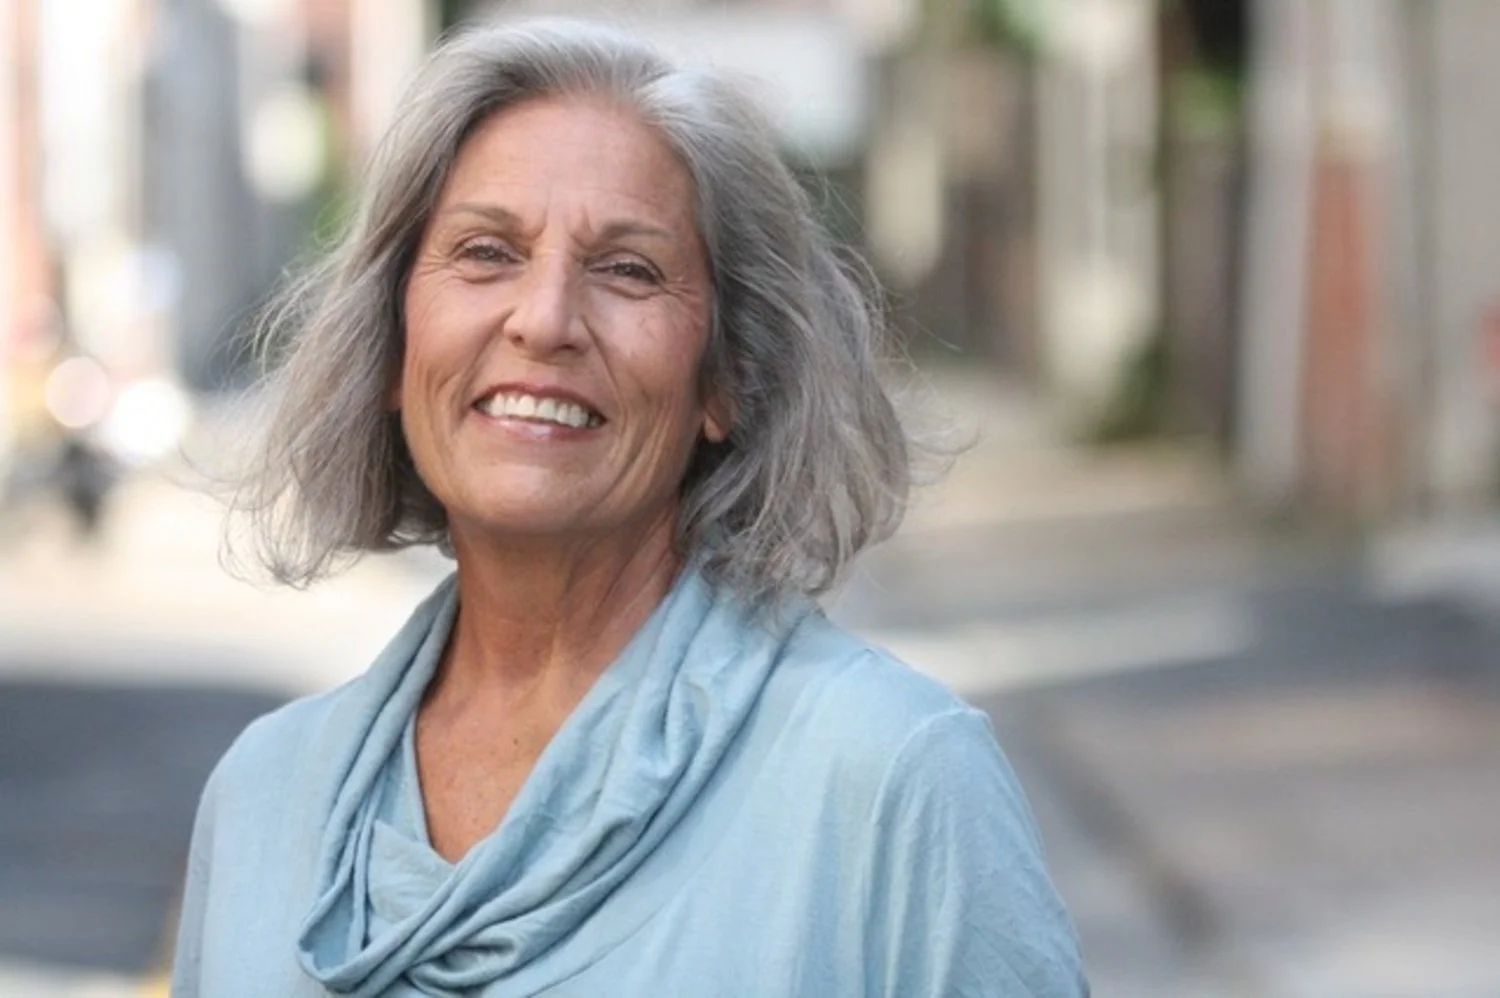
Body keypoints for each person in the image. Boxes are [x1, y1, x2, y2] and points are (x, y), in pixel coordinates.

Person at [172, 18, 1087, 998]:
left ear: (725, 379)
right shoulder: (262, 795)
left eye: (628, 269)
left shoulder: (891, 778)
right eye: (486, 252)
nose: (546, 318)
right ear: (396, 346)